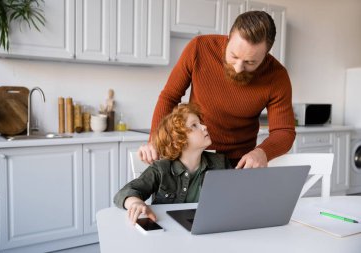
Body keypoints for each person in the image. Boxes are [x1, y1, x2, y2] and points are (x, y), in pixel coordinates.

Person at [139, 10, 296, 168]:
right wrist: (155, 140)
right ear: (228, 39)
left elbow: (284, 131)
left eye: (250, 62)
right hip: (193, 158)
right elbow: (169, 97)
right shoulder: (199, 48)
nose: (238, 68)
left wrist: (262, 152)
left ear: (266, 55)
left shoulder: (277, 76)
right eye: (234, 56)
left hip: (238, 165)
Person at [114, 103, 231, 223]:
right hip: (169, 230)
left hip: (208, 228)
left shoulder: (220, 163)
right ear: (177, 141)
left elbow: (236, 196)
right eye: (194, 125)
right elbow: (123, 193)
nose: (204, 127)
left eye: (200, 123)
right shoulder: (161, 169)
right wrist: (136, 202)